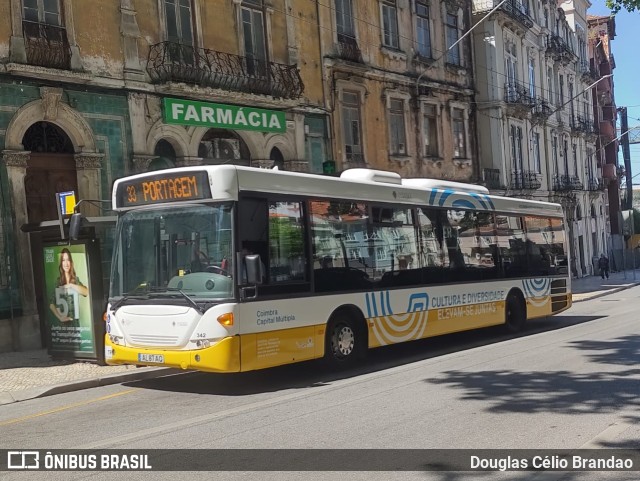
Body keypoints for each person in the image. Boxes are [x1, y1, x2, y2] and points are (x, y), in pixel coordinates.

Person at [49, 248, 89, 323]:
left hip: (75, 325)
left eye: (68, 260)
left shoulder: (75, 280)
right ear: (61, 263)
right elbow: (51, 303)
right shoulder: (58, 281)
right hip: (63, 326)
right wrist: (60, 317)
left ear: (71, 262)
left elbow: (86, 292)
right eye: (63, 260)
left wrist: (71, 285)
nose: (66, 263)